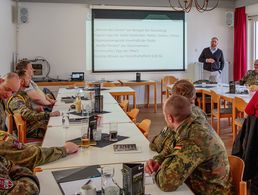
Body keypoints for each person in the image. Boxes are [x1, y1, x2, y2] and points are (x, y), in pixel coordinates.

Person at [145, 95, 233, 194]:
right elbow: (171, 147)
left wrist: (161, 168)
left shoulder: (191, 139)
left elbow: (166, 183)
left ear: (170, 118)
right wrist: (159, 160)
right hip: (202, 185)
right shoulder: (191, 123)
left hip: (211, 191)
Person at [149, 79, 207, 153]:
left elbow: (156, 145)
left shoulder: (178, 113)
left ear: (173, 97)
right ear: (194, 97)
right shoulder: (200, 112)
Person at [7, 70, 60, 138]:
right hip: (31, 131)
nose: (30, 80)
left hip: (35, 125)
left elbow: (26, 111)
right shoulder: (16, 99)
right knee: (59, 129)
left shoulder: (23, 94)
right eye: (28, 78)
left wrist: (37, 109)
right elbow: (27, 115)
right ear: (22, 81)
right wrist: (49, 114)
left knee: (58, 122)